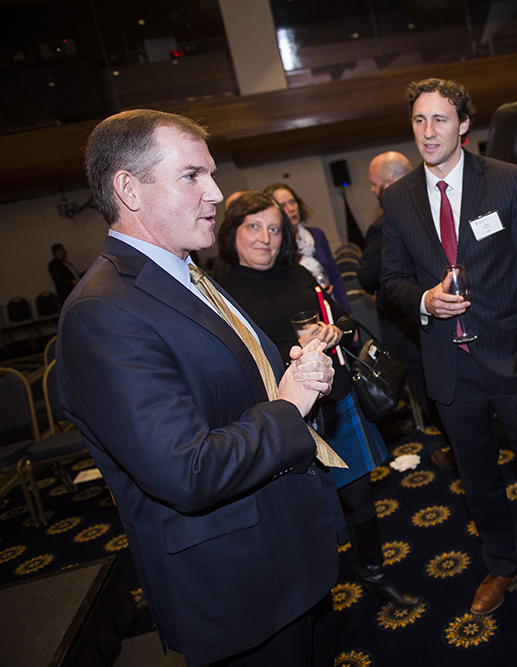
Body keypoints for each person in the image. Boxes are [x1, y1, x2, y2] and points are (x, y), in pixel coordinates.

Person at [57, 109, 344, 667]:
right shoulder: (102, 312)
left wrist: (299, 380)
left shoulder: (186, 274)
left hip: (286, 552)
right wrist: (289, 408)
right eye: (192, 176)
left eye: (210, 173)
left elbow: (241, 391)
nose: (214, 193)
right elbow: (187, 472)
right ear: (129, 189)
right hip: (238, 583)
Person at [380, 78, 517, 616]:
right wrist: (424, 299)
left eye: (440, 119)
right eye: (419, 120)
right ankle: (501, 562)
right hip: (449, 364)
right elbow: (390, 279)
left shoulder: (507, 180)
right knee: (476, 475)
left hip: (512, 355)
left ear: (463, 125)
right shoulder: (397, 198)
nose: (428, 131)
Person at [215, 191, 419, 610]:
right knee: (302, 512)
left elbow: (342, 318)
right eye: (253, 227)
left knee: (360, 500)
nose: (265, 238)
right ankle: (314, 590)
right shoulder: (221, 294)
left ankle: (375, 575)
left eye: (275, 229)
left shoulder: (298, 274)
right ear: (232, 232)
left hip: (336, 404)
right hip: (281, 417)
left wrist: (334, 332)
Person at [356, 151, 456, 468]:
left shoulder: (383, 225)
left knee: (433, 396)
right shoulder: (436, 209)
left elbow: (367, 278)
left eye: (374, 184)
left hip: (407, 327)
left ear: (388, 183)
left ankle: (457, 451)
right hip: (444, 322)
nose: (372, 190)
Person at [263, 182, 352, 314]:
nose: (291, 208)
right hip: (305, 313)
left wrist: (346, 311)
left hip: (332, 305)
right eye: (283, 205)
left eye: (292, 202)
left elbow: (335, 275)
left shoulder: (317, 235)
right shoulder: (276, 246)